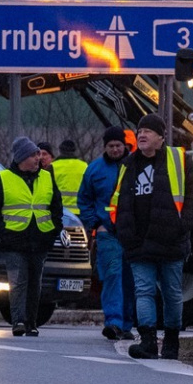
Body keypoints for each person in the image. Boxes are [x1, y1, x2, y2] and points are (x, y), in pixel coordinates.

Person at [112, 114, 193, 360]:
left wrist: (182, 226)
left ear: (162, 137)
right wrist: (123, 233)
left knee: (172, 292)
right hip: (139, 243)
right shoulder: (129, 164)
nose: (142, 135)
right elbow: (117, 202)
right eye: (140, 130)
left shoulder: (180, 160)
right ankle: (149, 342)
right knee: (144, 291)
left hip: (170, 241)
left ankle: (172, 342)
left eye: (148, 131)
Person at [0, 136, 64, 336]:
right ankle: (18, 321)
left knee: (34, 283)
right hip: (14, 242)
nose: (38, 158)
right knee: (18, 283)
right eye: (32, 155)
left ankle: (31, 323)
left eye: (38, 154)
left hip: (40, 241)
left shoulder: (46, 177)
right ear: (21, 158)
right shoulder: (4, 179)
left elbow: (56, 207)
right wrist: (2, 231)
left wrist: (54, 230)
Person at [77, 126, 135, 340]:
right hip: (107, 232)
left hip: (132, 233)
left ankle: (127, 324)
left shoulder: (135, 166)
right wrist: (95, 224)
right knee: (112, 276)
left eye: (118, 145)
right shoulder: (95, 169)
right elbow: (84, 199)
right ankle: (114, 322)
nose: (115, 149)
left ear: (124, 145)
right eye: (111, 146)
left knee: (130, 280)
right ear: (105, 147)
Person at [51, 139, 88, 215]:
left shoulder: (53, 166)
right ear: (74, 150)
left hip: (60, 212)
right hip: (81, 212)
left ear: (60, 150)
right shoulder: (84, 166)